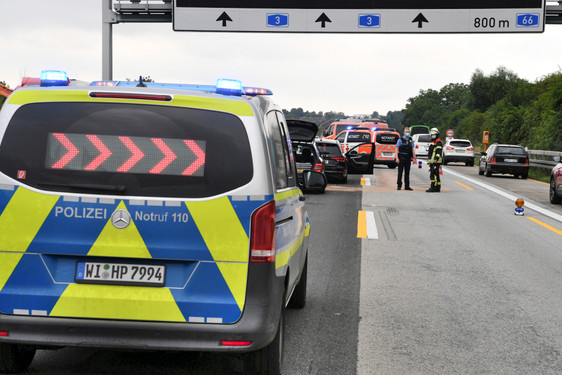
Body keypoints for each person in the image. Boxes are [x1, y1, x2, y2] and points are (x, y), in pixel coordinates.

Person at [426, 127, 443, 192]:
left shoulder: (438, 142)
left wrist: (436, 159)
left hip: (436, 161)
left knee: (434, 175)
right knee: (436, 174)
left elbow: (439, 152)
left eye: (434, 134)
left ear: (437, 134)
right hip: (433, 161)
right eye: (432, 135)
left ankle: (433, 188)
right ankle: (437, 188)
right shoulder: (433, 141)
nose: (433, 136)